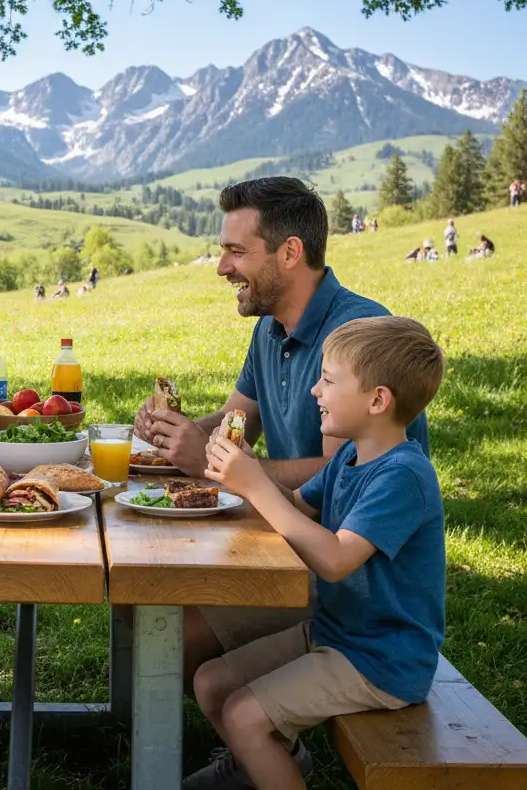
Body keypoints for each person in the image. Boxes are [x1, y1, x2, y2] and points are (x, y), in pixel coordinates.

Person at [134, 177, 430, 694]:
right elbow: (234, 422)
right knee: (141, 600)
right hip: (289, 532)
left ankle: (255, 748)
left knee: (174, 628)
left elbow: (338, 472)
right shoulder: (269, 328)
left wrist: (216, 466)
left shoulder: (355, 341)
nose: (223, 267)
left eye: (235, 251)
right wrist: (175, 430)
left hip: (343, 574)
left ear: (290, 252)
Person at [185, 316, 445, 790]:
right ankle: (264, 766)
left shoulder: (403, 476)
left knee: (244, 716)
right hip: (337, 631)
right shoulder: (350, 456)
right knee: (212, 682)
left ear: (378, 400)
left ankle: (262, 755)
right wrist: (235, 475)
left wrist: (257, 485)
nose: (314, 392)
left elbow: (335, 558)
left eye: (327, 380)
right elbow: (295, 507)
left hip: (383, 659)